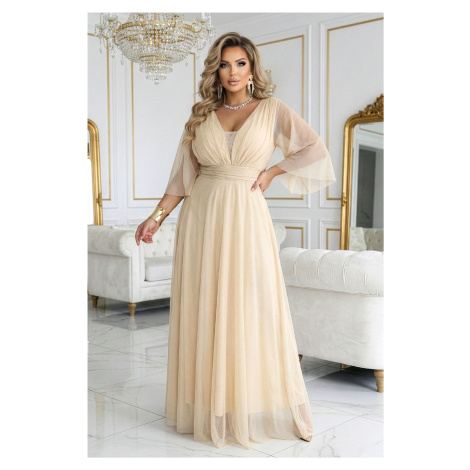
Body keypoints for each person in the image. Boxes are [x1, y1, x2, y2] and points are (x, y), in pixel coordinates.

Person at [135, 32, 336, 449]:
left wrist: (271, 172)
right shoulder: (200, 117)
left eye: (240, 64)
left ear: (252, 68)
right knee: (206, 306)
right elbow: (181, 179)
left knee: (252, 304)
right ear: (216, 70)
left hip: (246, 217)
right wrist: (154, 218)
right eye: (225, 64)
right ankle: (212, 404)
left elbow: (313, 148)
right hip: (201, 218)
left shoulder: (272, 110)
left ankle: (254, 401)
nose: (232, 72)